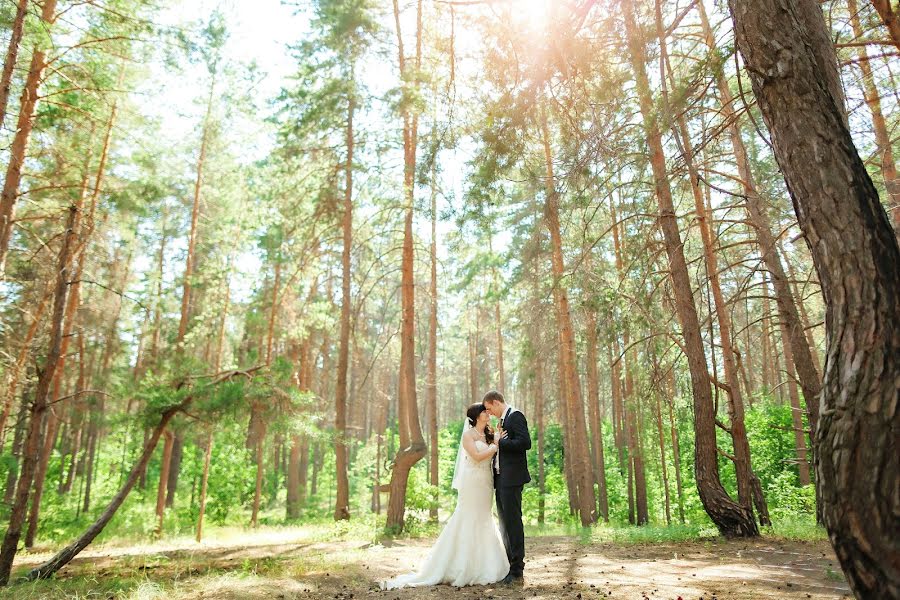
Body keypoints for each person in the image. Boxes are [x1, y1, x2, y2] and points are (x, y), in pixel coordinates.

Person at [379, 403, 509, 589]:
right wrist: (495, 446)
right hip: (472, 482)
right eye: (484, 411)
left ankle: (487, 563)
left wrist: (499, 439)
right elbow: (476, 457)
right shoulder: (468, 436)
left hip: (486, 482)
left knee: (484, 517)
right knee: (467, 517)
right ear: (475, 416)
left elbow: (495, 451)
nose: (487, 413)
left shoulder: (490, 434)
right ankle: (460, 565)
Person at [482, 390, 531, 584]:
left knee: (512, 522)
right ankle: (509, 565)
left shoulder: (515, 415)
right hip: (501, 478)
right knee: (504, 523)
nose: (489, 412)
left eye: (489, 408)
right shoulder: (503, 420)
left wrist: (500, 442)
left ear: (495, 402)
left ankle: (517, 569)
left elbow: (525, 443)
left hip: (512, 479)